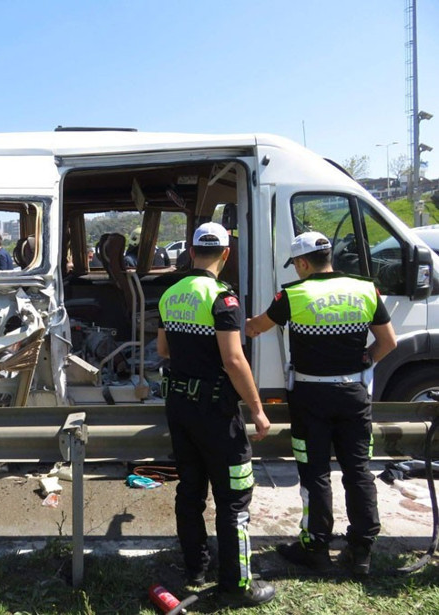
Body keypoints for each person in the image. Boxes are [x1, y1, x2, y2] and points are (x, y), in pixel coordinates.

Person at [245, 231, 396, 575]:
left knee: (315, 473)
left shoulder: (293, 295)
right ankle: (361, 550)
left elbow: (256, 328)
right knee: (358, 471)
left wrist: (239, 322)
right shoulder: (365, 289)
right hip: (354, 394)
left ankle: (315, 547)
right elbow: (388, 342)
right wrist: (364, 361)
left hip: (310, 398)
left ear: (301, 263)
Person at [157, 222, 275, 607]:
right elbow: (233, 360)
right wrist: (257, 410)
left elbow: (163, 351)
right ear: (225, 254)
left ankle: (195, 569)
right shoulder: (223, 300)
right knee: (234, 497)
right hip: (216, 414)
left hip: (179, 407)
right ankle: (236, 586)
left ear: (191, 252)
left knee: (190, 490)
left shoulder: (170, 294)